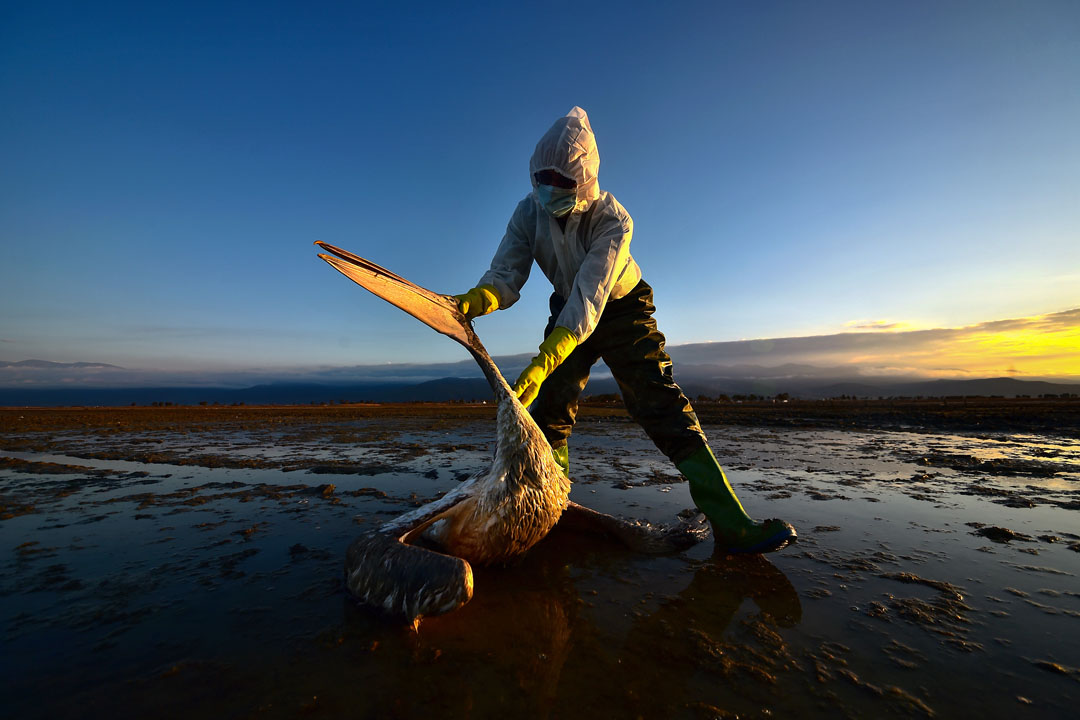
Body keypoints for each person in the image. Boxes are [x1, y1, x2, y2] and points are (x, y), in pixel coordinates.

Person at [454, 107, 795, 553]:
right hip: (567, 307)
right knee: (551, 411)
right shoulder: (528, 212)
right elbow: (506, 274)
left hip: (620, 308)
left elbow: (589, 300)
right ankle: (551, 511)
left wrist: (542, 363)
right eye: (542, 177)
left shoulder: (612, 220)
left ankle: (731, 523)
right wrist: (474, 302)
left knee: (658, 402)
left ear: (583, 179)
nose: (549, 188)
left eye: (561, 179)